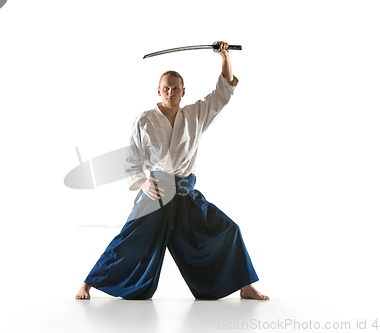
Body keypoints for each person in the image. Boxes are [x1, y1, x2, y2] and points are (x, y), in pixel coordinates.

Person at [76, 41, 268, 301]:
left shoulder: (195, 114)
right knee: (129, 239)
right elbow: (133, 162)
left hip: (185, 194)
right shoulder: (144, 120)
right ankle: (88, 284)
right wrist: (142, 182)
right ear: (158, 90)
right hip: (156, 194)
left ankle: (245, 286)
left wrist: (225, 57)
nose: (170, 92)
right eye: (165, 88)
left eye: (175, 88)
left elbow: (222, 93)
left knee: (228, 230)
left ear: (183, 91)